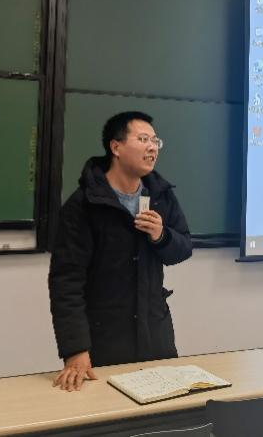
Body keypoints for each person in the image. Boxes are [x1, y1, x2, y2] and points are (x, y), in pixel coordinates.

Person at [48, 111, 193, 392]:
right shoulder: (84, 205)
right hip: (104, 336)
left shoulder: (161, 195)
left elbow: (183, 249)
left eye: (155, 141)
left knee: (166, 409)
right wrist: (75, 349)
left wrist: (161, 236)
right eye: (143, 139)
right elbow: (66, 281)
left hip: (155, 332)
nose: (152, 148)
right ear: (116, 147)